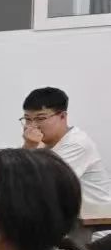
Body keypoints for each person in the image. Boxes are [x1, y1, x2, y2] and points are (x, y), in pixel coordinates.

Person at [20, 86, 111, 216]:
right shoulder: (38, 144)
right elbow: (15, 177)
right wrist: (29, 145)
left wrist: (31, 146)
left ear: (62, 116)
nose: (32, 126)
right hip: (67, 221)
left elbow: (43, 185)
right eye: (28, 119)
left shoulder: (77, 143)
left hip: (97, 224)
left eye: (40, 118)